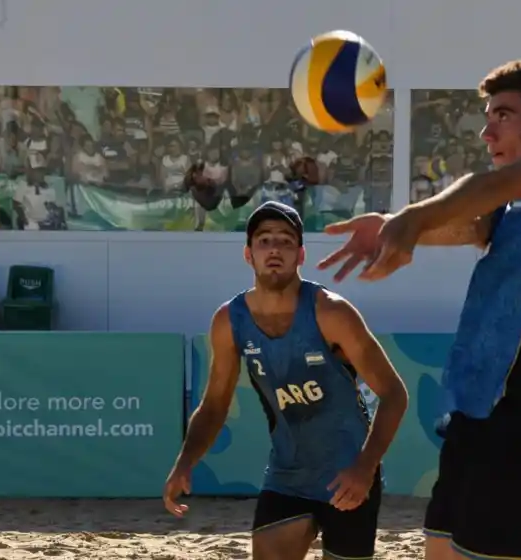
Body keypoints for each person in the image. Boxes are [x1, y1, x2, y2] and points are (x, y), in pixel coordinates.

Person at [318, 61, 521, 560]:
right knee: (439, 550)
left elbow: (490, 187)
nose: (486, 132)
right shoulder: (513, 203)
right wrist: (397, 227)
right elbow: (467, 225)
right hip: (478, 408)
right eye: (486, 117)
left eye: (503, 114)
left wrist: (413, 217)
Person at [163, 200, 409, 560]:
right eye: (264, 241)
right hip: (287, 475)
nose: (274, 249)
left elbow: (394, 394)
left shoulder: (331, 311)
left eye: (286, 241)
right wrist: (184, 462)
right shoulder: (229, 321)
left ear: (301, 255)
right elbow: (215, 404)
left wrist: (365, 468)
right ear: (248, 254)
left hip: (347, 475)